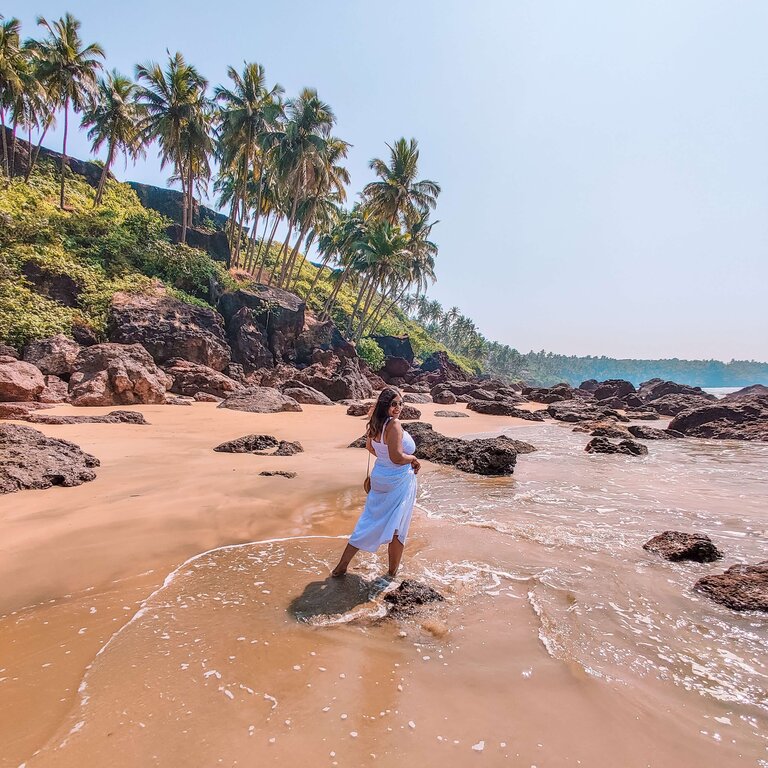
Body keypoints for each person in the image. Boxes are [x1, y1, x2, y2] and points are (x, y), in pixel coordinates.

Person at [332, 388, 421, 579]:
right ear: (385, 405)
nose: (398, 408)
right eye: (394, 404)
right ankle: (392, 573)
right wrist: (413, 458)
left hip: (380, 475)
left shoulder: (376, 422)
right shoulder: (394, 425)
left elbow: (370, 446)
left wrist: (385, 459)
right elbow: (397, 457)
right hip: (397, 480)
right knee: (398, 527)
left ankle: (341, 566)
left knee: (368, 521)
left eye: (400, 403)